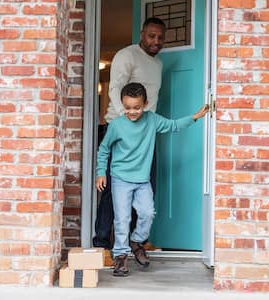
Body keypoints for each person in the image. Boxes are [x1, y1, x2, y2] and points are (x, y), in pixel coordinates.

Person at [95, 82, 209, 277]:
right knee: (122, 219)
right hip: (120, 179)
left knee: (147, 213)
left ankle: (137, 241)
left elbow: (173, 125)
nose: (132, 112)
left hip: (142, 180)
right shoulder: (116, 126)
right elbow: (104, 149)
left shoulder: (152, 120)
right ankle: (120, 257)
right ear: (123, 104)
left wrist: (195, 117)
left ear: (145, 103)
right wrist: (100, 172)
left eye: (137, 107)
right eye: (128, 107)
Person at [93, 17, 166, 251]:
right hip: (121, 131)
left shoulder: (158, 64)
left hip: (145, 134)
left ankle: (138, 242)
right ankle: (102, 245)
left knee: (143, 187)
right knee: (112, 191)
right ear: (142, 33)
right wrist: (126, 122)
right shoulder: (127, 55)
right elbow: (115, 89)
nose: (156, 41)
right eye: (151, 36)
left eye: (160, 37)